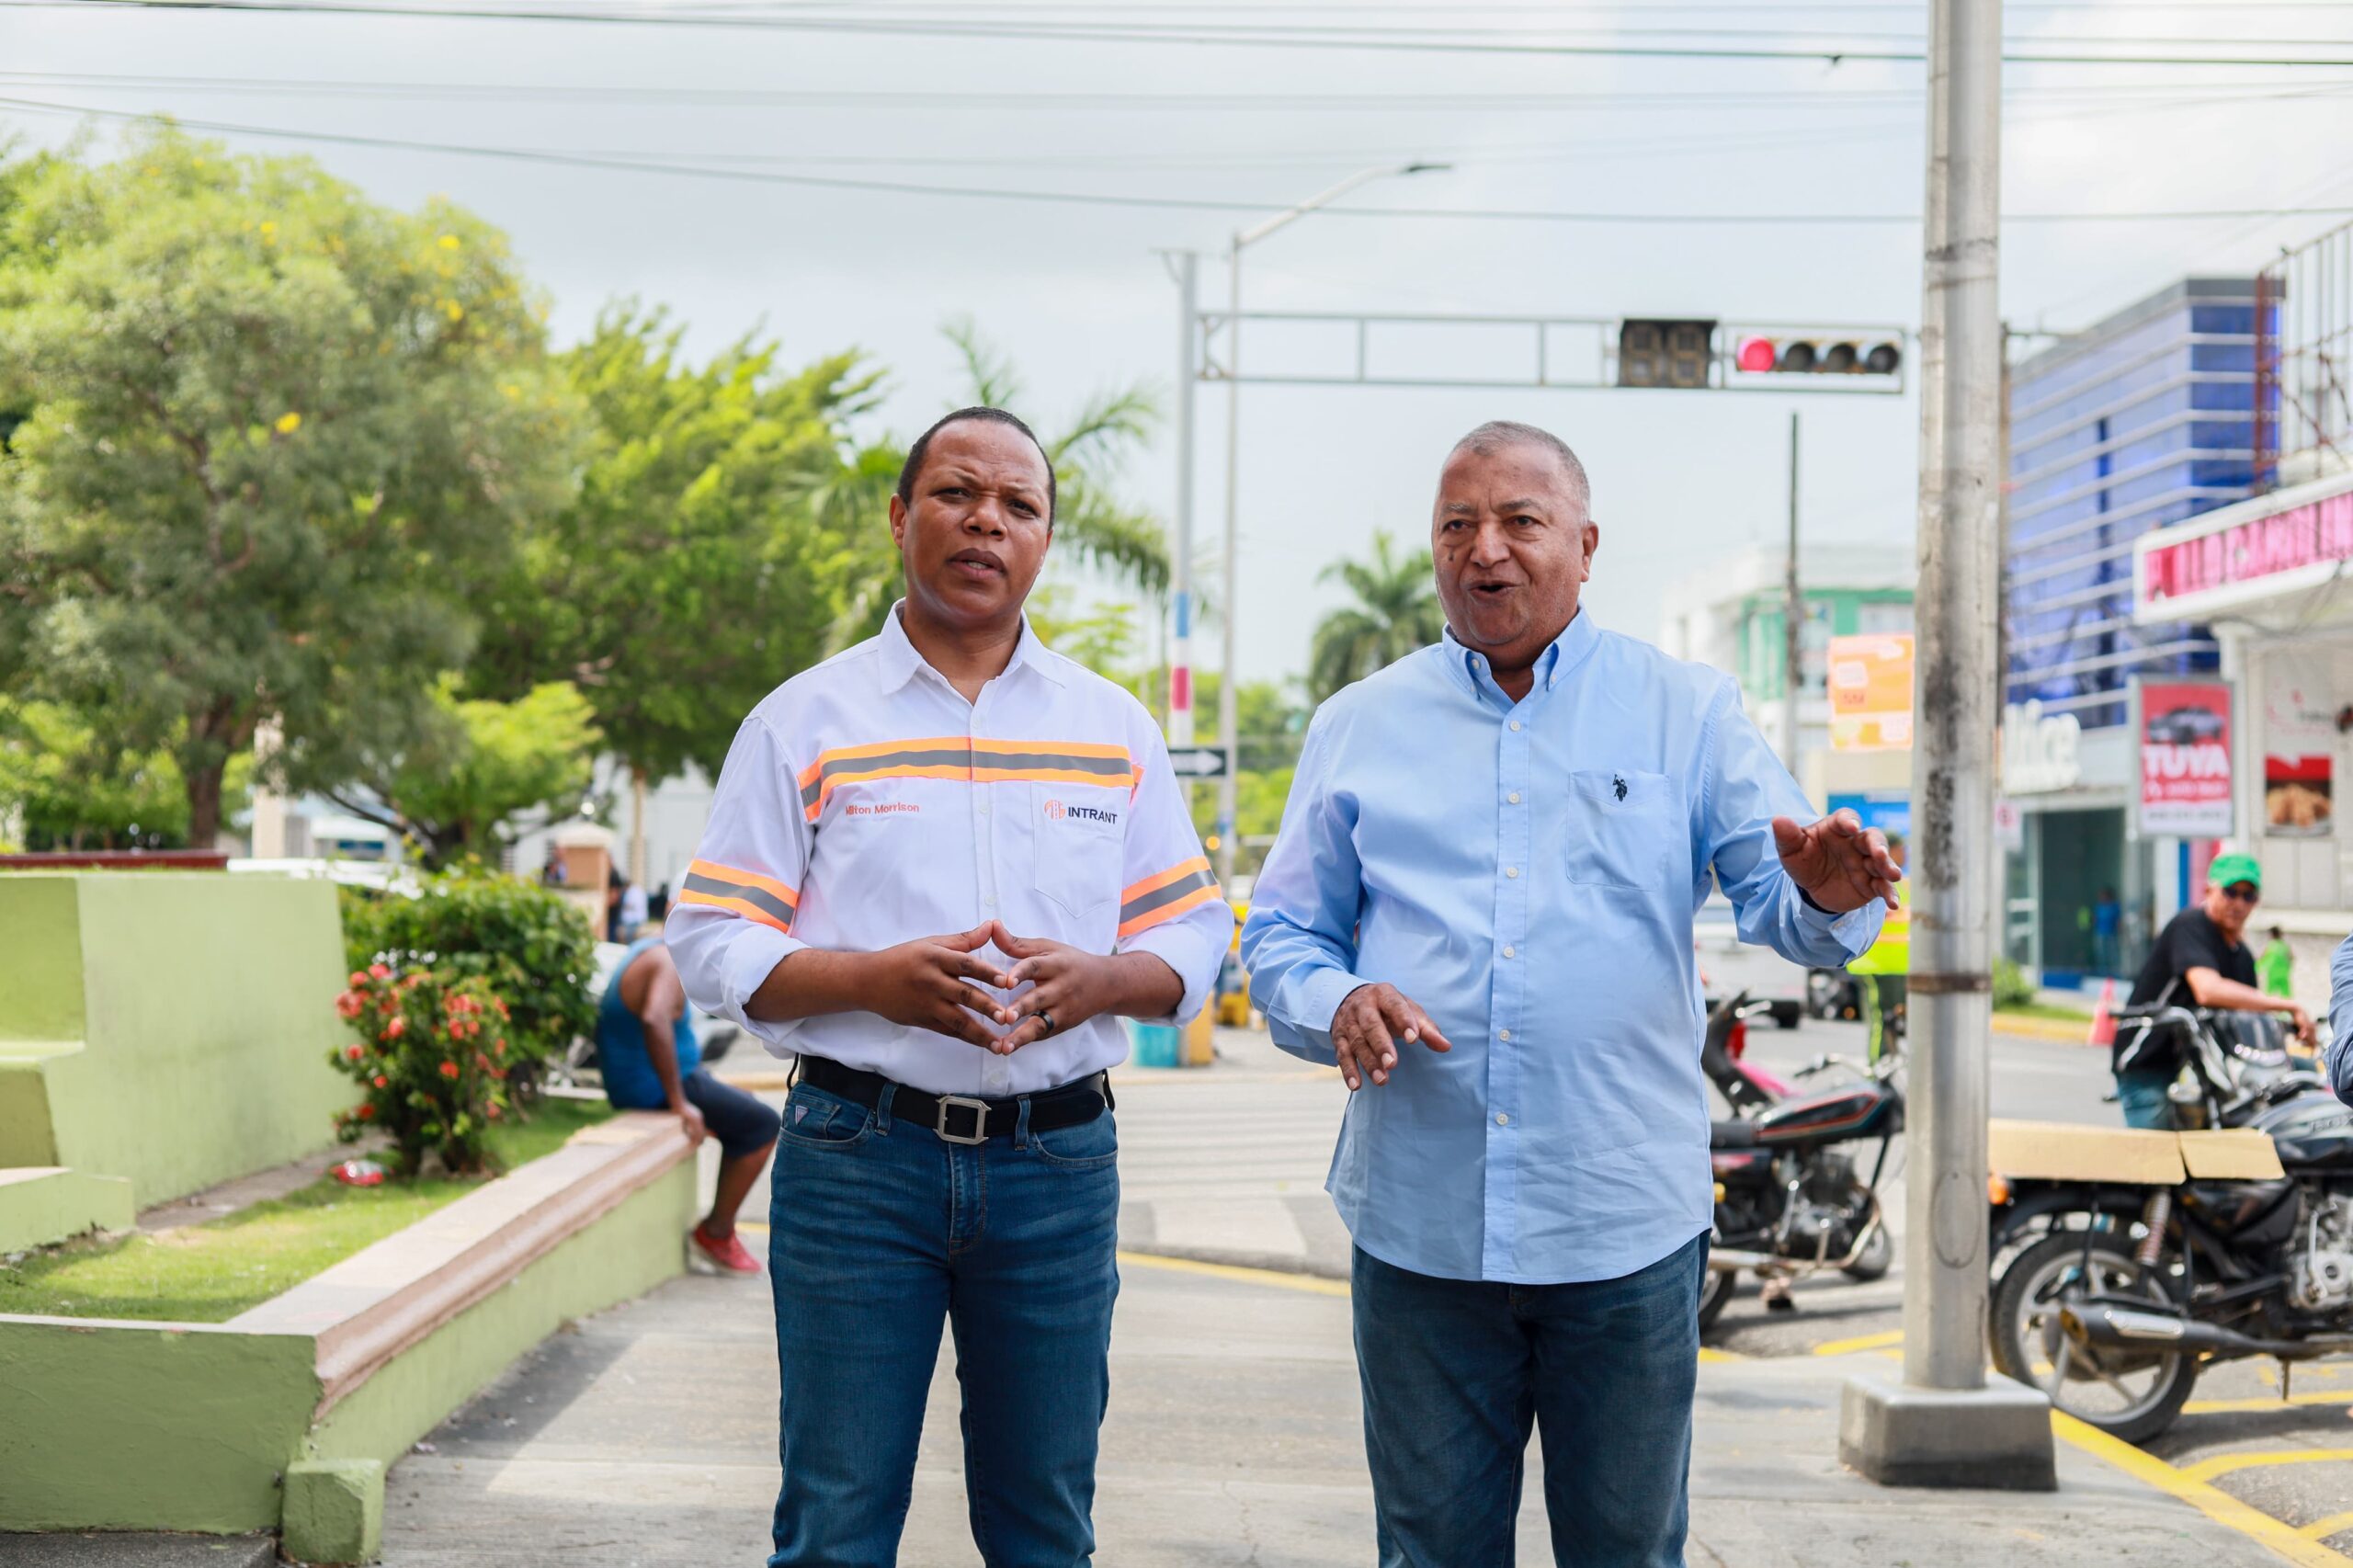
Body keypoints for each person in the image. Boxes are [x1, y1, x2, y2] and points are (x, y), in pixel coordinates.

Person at [1241, 421, 1894, 1568]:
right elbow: (1283, 933)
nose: (1483, 548)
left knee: (1626, 1551)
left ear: (1585, 546)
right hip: (1422, 1232)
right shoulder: (1358, 724)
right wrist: (1335, 996)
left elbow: (1781, 895)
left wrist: (1829, 896)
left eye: (1519, 521)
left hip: (1622, 1230)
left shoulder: (1685, 710)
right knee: (1430, 1553)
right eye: (1456, 524)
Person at [665, 406, 1231, 1568]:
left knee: (1044, 1529)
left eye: (1019, 505)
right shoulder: (804, 719)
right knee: (834, 1524)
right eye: (957, 494)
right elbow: (712, 936)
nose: (987, 521)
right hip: (858, 1160)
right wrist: (872, 980)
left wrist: (1101, 979)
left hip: (1057, 1168)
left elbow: (1191, 930)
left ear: (1045, 539)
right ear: (899, 516)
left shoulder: (1111, 728)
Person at [596, 925, 779, 1273]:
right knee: (763, 1124)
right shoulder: (666, 962)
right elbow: (654, 1018)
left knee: (744, 1105)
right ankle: (716, 1233)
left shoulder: (650, 949)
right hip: (654, 1087)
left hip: (670, 1077)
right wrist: (679, 1102)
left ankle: (719, 1228)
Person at [2117, 853, 2314, 1129]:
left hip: (2207, 1069)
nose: (2238, 903)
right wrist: (2288, 1006)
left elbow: (2248, 1014)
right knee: (2157, 1151)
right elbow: (2207, 989)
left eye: (2248, 896)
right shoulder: (2190, 925)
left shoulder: (2242, 956)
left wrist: (2291, 1030)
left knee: (2302, 1080)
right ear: (2209, 890)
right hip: (2151, 1063)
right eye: (2231, 892)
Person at [2259, 923, 2295, 999]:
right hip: (2284, 974)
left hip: (2272, 974)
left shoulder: (2270, 945)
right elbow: (2291, 958)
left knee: (2269, 995)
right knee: (2286, 996)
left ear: (2271, 935)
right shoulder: (2285, 945)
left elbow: (2261, 959)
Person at [2093, 884, 2121, 976]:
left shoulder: (2114, 906)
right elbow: (2095, 919)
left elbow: (2118, 920)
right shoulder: (2099, 907)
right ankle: (2102, 972)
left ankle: (2114, 971)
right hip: (2100, 933)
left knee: (2112, 953)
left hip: (2111, 933)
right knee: (2101, 954)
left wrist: (2119, 930)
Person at [619, 877, 649, 941]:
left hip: (632, 919)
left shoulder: (632, 892)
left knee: (630, 937)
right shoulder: (637, 890)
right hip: (636, 918)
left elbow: (631, 904)